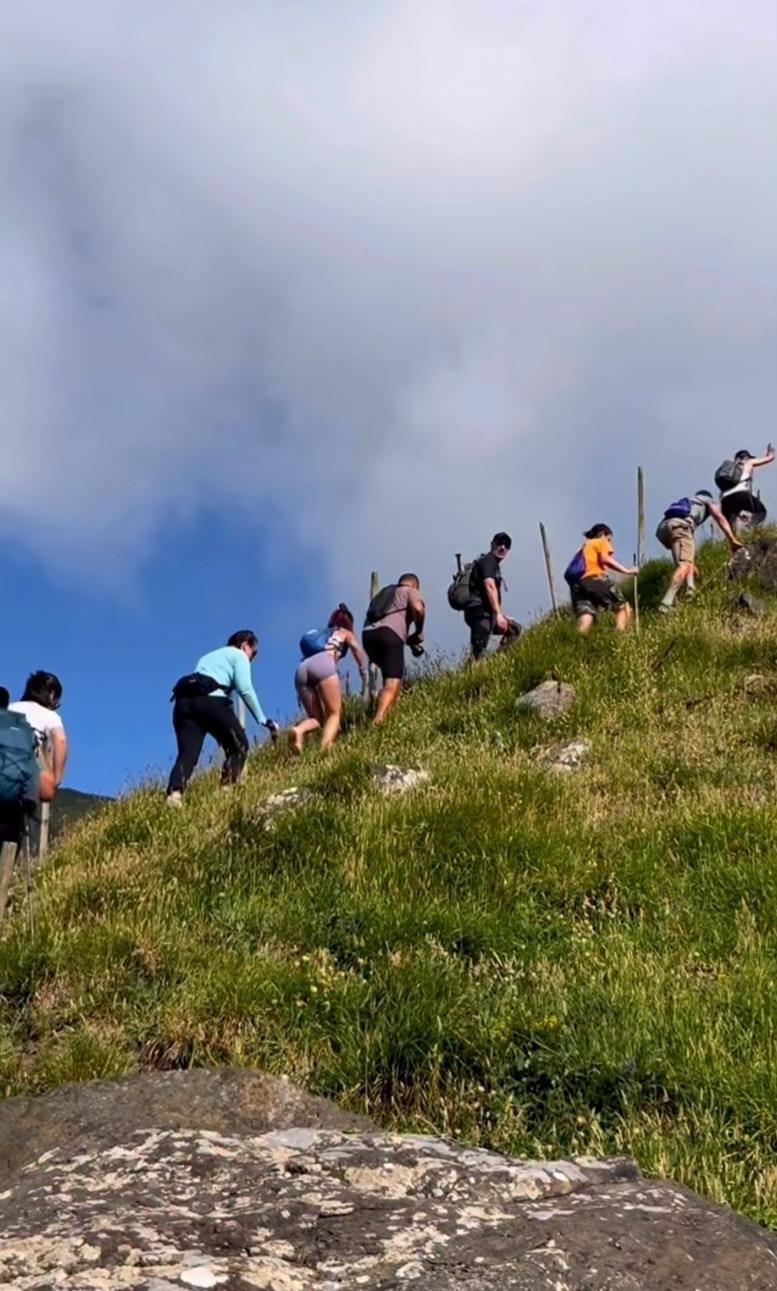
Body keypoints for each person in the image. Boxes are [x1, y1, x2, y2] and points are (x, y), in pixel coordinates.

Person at [166, 630, 276, 807]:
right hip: (211, 701)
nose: (252, 658)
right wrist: (263, 719)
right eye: (253, 652)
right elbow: (245, 689)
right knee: (239, 746)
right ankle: (226, 791)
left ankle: (175, 794)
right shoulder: (238, 655)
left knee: (187, 754)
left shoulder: (208, 657)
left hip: (183, 703)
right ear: (244, 646)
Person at [290, 604, 368, 753]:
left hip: (302, 669)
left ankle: (299, 730)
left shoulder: (323, 634)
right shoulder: (345, 633)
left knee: (316, 718)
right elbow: (357, 649)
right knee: (334, 713)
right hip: (323, 664)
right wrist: (362, 669)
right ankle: (325, 748)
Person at [655, 490, 742, 613]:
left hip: (664, 529)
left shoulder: (690, 503)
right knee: (684, 565)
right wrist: (732, 540)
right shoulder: (708, 500)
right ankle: (666, 603)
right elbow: (720, 518)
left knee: (686, 562)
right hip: (681, 526)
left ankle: (690, 589)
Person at [362, 574, 425, 725]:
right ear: (414, 585)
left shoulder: (384, 594)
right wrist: (418, 631)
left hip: (368, 636)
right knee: (393, 682)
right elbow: (418, 608)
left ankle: (382, 709)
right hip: (390, 634)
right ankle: (379, 721)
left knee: (387, 675)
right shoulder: (410, 591)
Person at [565, 525, 637, 636]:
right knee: (622, 606)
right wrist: (627, 571)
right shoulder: (600, 542)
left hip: (576, 585)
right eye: (609, 539)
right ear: (602, 534)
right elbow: (605, 559)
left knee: (586, 614)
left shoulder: (583, 547)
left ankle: (577, 641)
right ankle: (620, 636)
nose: (609, 543)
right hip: (593, 578)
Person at [9, 671, 67, 801]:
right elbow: (60, 740)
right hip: (26, 775)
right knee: (46, 792)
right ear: (52, 695)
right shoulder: (49, 715)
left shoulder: (9, 707)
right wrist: (56, 779)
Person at [464, 533, 517, 659]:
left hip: (484, 613)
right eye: (499, 543)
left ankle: (497, 661)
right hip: (480, 613)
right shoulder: (488, 561)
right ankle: (484, 665)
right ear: (492, 544)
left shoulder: (491, 564)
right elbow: (489, 586)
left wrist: (499, 614)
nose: (502, 547)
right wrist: (499, 614)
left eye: (506, 545)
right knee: (479, 653)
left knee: (514, 629)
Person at [717, 446, 775, 533]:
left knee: (730, 528)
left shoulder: (728, 471)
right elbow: (770, 458)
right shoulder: (748, 462)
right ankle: (747, 527)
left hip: (725, 499)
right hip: (741, 494)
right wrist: (771, 452)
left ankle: (735, 538)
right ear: (746, 457)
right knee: (761, 512)